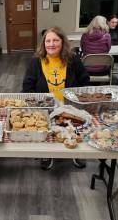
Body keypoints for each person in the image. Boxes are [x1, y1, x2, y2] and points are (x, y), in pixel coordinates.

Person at [22, 26, 89, 170]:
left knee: (73, 128)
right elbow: (27, 86)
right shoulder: (36, 62)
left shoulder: (73, 60)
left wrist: (76, 100)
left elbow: (85, 81)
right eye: (48, 41)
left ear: (62, 42)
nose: (51, 44)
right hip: (45, 108)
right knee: (46, 131)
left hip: (70, 106)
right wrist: (36, 106)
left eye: (55, 40)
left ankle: (74, 149)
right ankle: (47, 153)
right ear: (43, 43)